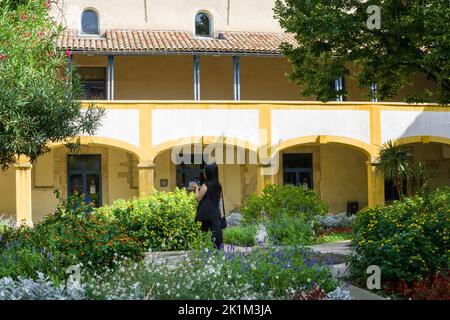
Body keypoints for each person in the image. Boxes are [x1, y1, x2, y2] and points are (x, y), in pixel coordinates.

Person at [193, 163, 224, 249]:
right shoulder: (219, 185)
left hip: (207, 214)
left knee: (204, 235)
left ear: (209, 173)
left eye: (205, 172)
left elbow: (198, 198)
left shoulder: (206, 184)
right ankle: (219, 254)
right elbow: (219, 198)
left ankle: (203, 253)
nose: (204, 174)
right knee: (217, 236)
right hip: (216, 213)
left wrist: (196, 189)